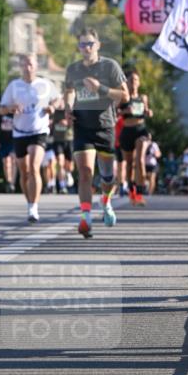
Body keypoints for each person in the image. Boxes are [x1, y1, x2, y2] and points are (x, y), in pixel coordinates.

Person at [64, 28, 128, 238]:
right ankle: (86, 216)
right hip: (82, 127)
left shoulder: (110, 66)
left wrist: (101, 88)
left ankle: (106, 200)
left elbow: (124, 96)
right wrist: (68, 108)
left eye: (90, 43)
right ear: (78, 47)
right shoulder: (73, 69)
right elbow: (70, 91)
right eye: (83, 44)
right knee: (85, 173)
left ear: (98, 45)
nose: (87, 48)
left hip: (105, 127)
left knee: (108, 176)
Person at [0, 54, 59, 223]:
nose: (28, 68)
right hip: (19, 132)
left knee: (34, 167)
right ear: (21, 67)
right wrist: (10, 108)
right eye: (24, 65)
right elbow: (1, 109)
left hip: (39, 131)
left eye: (31, 64)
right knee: (24, 173)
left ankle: (34, 208)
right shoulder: (14, 86)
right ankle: (29, 203)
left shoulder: (45, 84)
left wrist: (52, 107)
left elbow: (57, 99)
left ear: (36, 66)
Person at [118, 69, 153, 206]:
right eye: (131, 80)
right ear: (126, 82)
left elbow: (147, 111)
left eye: (136, 80)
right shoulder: (123, 98)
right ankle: (132, 192)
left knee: (139, 159)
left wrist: (149, 112)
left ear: (139, 83)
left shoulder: (143, 97)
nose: (134, 82)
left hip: (141, 130)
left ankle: (140, 192)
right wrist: (124, 111)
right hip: (127, 131)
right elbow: (115, 113)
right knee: (129, 165)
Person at [50, 101, 74, 194]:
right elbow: (49, 121)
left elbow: (75, 121)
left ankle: (68, 173)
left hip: (69, 139)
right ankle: (62, 185)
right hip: (57, 140)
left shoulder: (70, 110)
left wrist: (67, 122)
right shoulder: (54, 112)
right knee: (60, 163)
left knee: (70, 165)